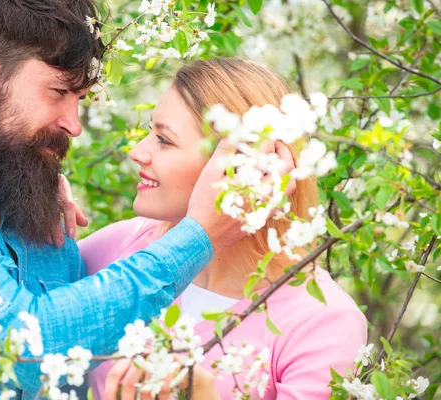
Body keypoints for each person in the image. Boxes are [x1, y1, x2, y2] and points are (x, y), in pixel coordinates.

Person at [0, 2, 264, 399]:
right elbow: (26, 345)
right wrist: (199, 234)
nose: (73, 125)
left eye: (79, 100)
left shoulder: (31, 203)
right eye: (58, 92)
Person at [79, 58, 368, 400]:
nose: (137, 152)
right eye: (149, 131)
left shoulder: (321, 323)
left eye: (164, 140)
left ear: (242, 167)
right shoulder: (118, 249)